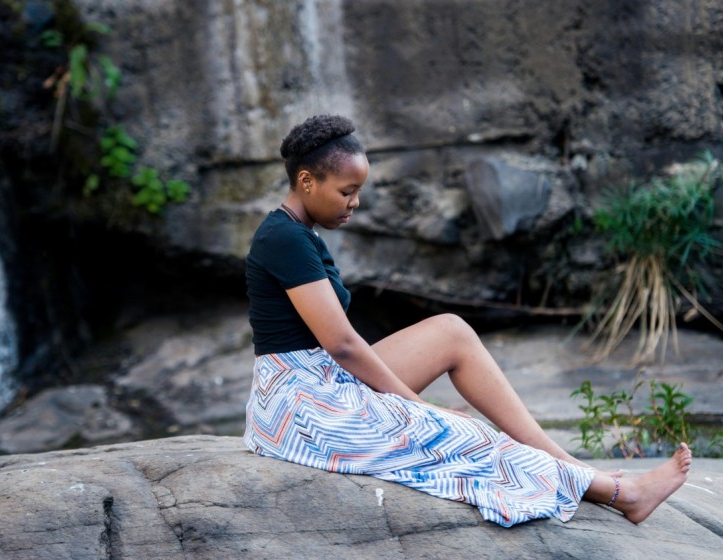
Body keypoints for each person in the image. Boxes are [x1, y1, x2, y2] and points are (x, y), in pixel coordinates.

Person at [243, 114, 692, 527]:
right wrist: (415, 405)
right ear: (306, 181)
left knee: (452, 331)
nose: (356, 202)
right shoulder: (284, 238)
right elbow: (341, 343)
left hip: (317, 376)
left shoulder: (295, 231)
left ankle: (571, 466)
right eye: (346, 191)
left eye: (358, 191)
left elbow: (336, 349)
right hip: (299, 403)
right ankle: (620, 493)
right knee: (464, 433)